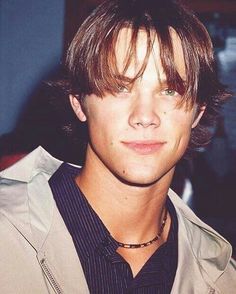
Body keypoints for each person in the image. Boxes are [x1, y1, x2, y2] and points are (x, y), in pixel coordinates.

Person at [0, 0, 235, 293]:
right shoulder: (6, 232)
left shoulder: (220, 278)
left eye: (170, 90)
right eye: (120, 88)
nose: (145, 117)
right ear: (79, 103)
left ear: (197, 112)